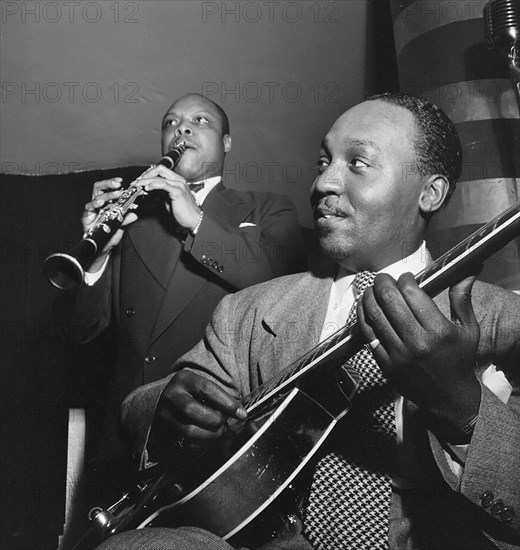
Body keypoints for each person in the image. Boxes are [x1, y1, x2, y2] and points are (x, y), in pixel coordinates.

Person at [96, 93, 520, 550]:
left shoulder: (506, 322)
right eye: (323, 162)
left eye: (357, 163)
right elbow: (144, 410)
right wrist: (167, 409)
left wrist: (464, 410)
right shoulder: (249, 310)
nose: (323, 184)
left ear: (430, 193)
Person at [54, 93, 306, 498]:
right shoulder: (134, 217)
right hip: (126, 440)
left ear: (226, 142)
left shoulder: (267, 208)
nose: (182, 128)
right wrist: (95, 254)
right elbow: (79, 330)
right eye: (171, 122)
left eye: (200, 120)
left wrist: (198, 221)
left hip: (219, 440)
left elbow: (283, 285)